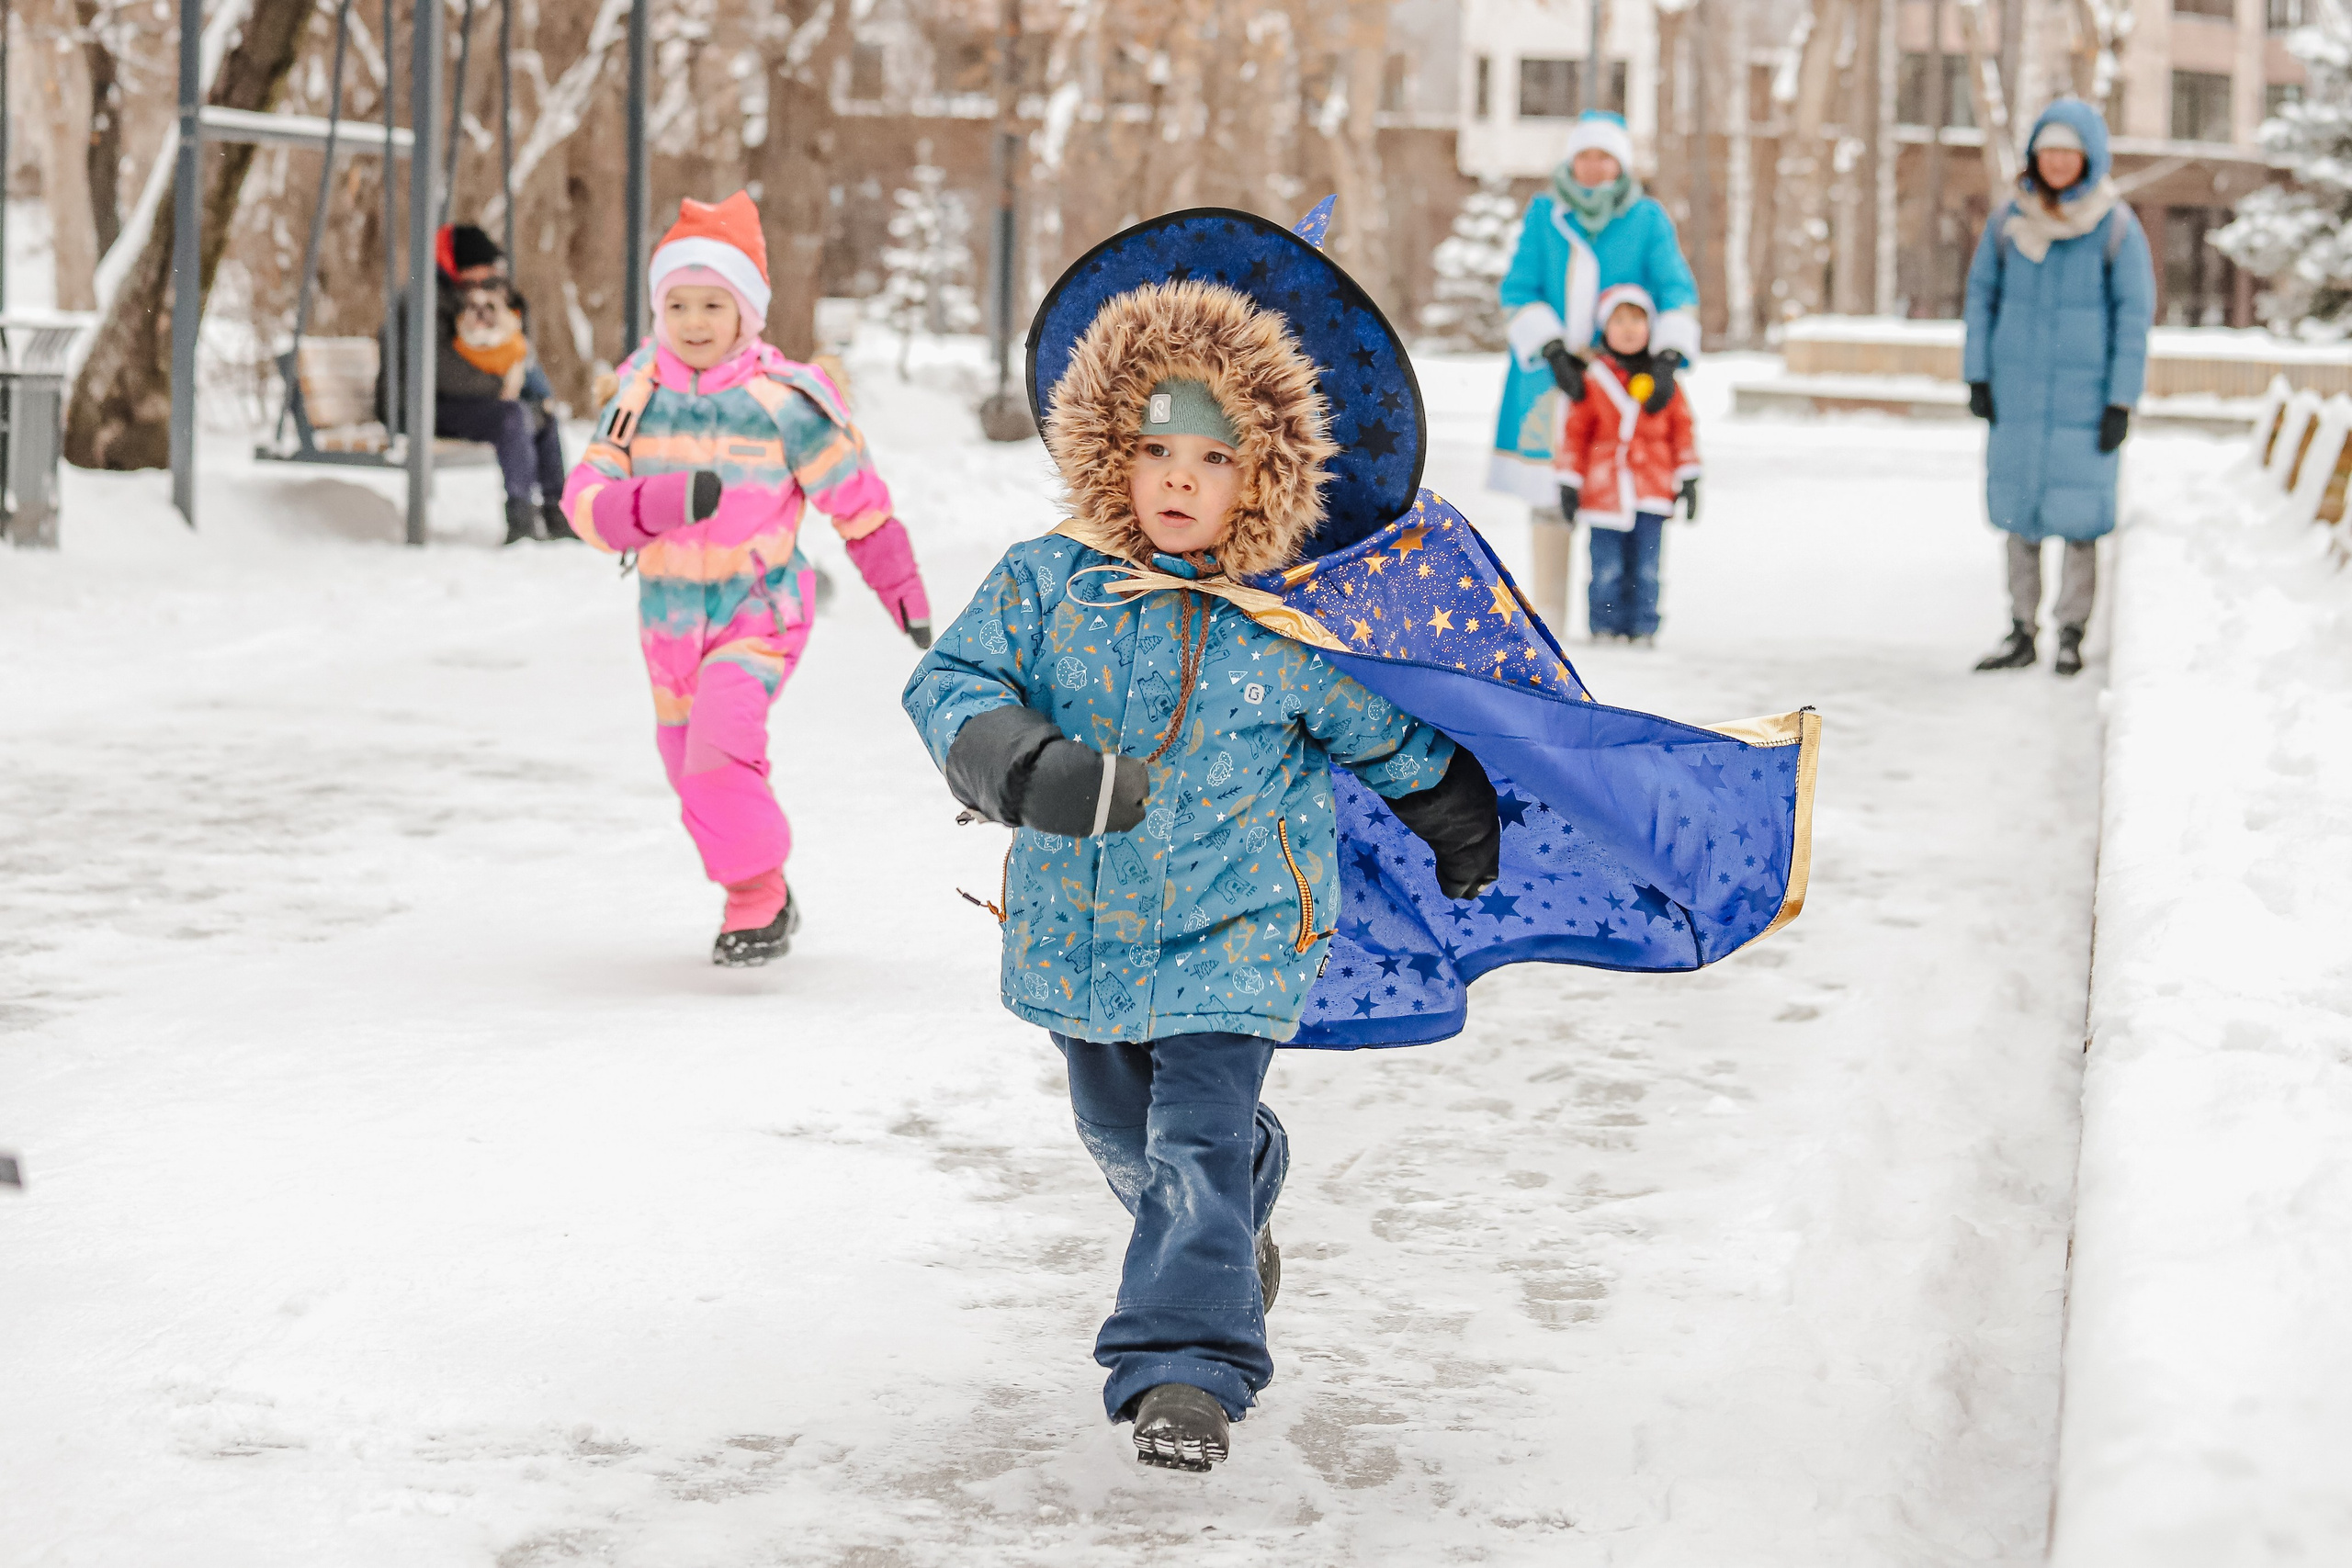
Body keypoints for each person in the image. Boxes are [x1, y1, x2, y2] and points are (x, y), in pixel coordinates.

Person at [902, 264, 1503, 1472]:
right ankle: (1241, 1194)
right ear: (1110, 451)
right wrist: (1025, 767)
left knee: (1191, 1143)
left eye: (1218, 456)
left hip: (1239, 936)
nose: (1181, 476)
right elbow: (945, 681)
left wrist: (1449, 804)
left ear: (1265, 475)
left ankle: (1185, 1369)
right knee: (1122, 1135)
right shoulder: (1046, 581)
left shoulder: (1281, 621)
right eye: (1158, 447)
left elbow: (1379, 727)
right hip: (1081, 930)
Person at [561, 191, 933, 965]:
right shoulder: (637, 391)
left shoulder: (785, 400)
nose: (695, 322)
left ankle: (756, 898)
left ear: (747, 312)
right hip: (667, 625)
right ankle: (762, 879)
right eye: (678, 304)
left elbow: (859, 505)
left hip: (759, 611)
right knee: (687, 770)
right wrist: (657, 501)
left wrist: (906, 598)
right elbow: (585, 503)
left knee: (718, 751)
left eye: (713, 304)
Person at [1962, 97, 2154, 677]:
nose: (2058, 164)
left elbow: (2134, 316)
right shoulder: (2008, 220)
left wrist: (2121, 399)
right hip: (2018, 399)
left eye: (2070, 153)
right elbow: (1981, 298)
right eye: (2049, 152)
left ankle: (2071, 632)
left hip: (2085, 403)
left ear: (2089, 158)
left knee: (2080, 524)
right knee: (2018, 517)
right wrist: (1979, 375)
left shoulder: (2115, 227)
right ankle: (2021, 629)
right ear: (2034, 157)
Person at [1491, 110, 1702, 631]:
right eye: (1584, 155)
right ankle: (1549, 619)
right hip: (1549, 377)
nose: (1593, 166)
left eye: (1605, 156)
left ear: (1621, 164)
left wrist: (1668, 354)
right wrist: (1553, 348)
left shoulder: (1647, 219)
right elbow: (1519, 289)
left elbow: (1676, 289)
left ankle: (1624, 615)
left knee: (1620, 490)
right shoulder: (1544, 214)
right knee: (1549, 491)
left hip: (1624, 380)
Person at [387, 222, 574, 546]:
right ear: (463, 267)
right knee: (512, 417)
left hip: (461, 399)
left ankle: (557, 510)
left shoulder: (473, 294)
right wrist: (500, 386)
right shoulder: (425, 299)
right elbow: (440, 371)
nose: (488, 276)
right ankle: (521, 516)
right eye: (482, 269)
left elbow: (514, 344)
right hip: (420, 405)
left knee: (542, 414)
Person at [1555, 284, 1701, 644]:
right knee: (1606, 568)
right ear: (1605, 328)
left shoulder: (1665, 381)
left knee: (1647, 568)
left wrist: (1690, 478)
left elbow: (1682, 430)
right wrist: (1569, 482)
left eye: (1637, 320)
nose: (1629, 328)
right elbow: (1575, 433)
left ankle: (1643, 627)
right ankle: (1604, 626)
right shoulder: (1593, 380)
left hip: (1652, 489)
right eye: (1619, 320)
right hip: (1604, 493)